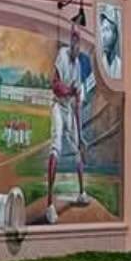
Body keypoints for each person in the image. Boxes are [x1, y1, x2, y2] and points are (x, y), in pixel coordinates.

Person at [46, 29, 90, 224]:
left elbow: (78, 104)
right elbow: (54, 85)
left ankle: (82, 192)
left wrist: (80, 136)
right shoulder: (62, 55)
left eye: (78, 44)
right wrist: (69, 90)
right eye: (73, 43)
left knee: (78, 150)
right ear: (70, 43)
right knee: (56, 147)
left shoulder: (79, 65)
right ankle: (49, 205)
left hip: (70, 108)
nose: (76, 47)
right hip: (57, 105)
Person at [99, 6, 121, 78]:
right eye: (102, 31)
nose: (103, 36)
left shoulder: (121, 66)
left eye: (107, 30)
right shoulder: (98, 63)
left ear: (115, 35)